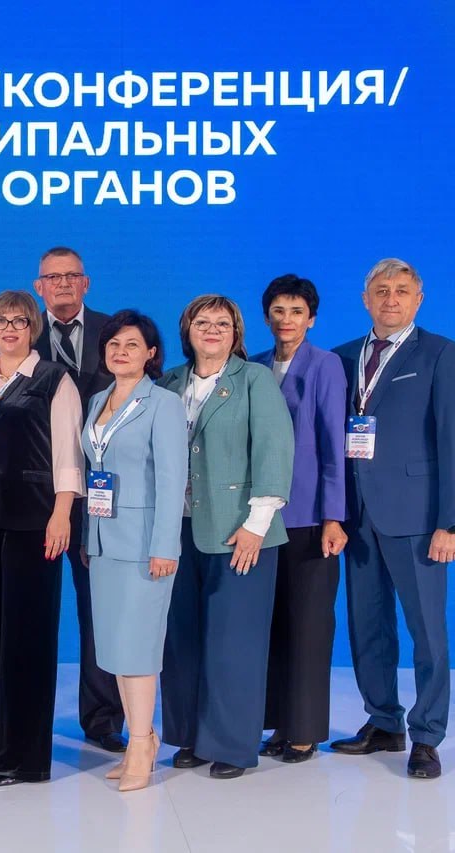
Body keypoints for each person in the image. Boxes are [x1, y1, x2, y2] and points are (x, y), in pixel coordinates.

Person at [329, 258, 455, 780]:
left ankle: (427, 736)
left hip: (418, 517)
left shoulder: (441, 354)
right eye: (381, 290)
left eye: (401, 290)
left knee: (426, 632)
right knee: (367, 626)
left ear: (418, 299)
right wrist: (333, 512)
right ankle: (384, 721)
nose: (390, 299)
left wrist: (451, 521)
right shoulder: (342, 357)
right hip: (356, 516)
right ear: (365, 299)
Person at [0, 290, 85, 787]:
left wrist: (62, 514)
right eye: (1, 321)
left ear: (33, 329)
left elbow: (69, 453)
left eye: (19, 321)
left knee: (27, 638)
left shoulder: (53, 379)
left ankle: (24, 758)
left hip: (35, 523)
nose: (9, 328)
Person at [158, 295, 294, 779]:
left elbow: (275, 450)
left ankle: (232, 746)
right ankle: (190, 737)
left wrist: (257, 525)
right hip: (178, 530)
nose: (212, 329)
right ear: (187, 330)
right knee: (182, 641)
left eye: (223, 322)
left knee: (234, 644)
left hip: (240, 532)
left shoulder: (254, 379)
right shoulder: (168, 383)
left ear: (236, 333)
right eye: (202, 321)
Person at [80, 311, 187, 792]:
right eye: (113, 344)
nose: (120, 352)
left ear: (151, 354)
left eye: (131, 344)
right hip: (104, 542)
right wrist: (89, 536)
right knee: (117, 649)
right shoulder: (98, 400)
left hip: (146, 546)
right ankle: (138, 740)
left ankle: (142, 744)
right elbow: (94, 474)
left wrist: (165, 545)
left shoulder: (163, 404)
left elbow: (172, 479)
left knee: (139, 648)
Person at [250, 274, 348, 764]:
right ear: (266, 316)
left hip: (309, 517)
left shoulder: (325, 365)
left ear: (311, 319)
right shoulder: (253, 365)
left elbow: (334, 444)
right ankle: (278, 723)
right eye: (278, 311)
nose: (286, 320)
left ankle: (305, 730)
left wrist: (334, 515)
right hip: (261, 519)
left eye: (296, 312)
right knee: (272, 626)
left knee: (309, 627)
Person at [32, 246, 125, 753]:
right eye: (53, 277)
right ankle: (27, 718)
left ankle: (103, 718)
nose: (63, 284)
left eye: (72, 276)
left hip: (104, 497)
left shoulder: (118, 332)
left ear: (86, 283)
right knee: (32, 610)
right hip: (38, 499)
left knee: (100, 611)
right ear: (39, 286)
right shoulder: (21, 333)